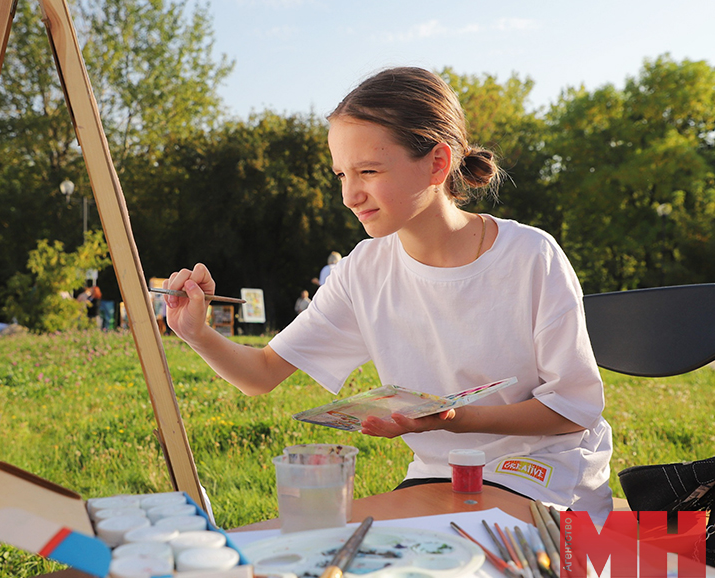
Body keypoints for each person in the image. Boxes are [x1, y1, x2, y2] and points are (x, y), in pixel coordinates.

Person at [163, 67, 613, 522]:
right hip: (441, 475)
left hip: (544, 474)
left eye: (369, 171)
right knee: (298, 542)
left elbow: (572, 410)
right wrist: (196, 333)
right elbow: (261, 374)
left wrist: (456, 420)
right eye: (341, 174)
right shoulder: (363, 270)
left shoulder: (531, 255)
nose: (349, 195)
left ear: (438, 163)